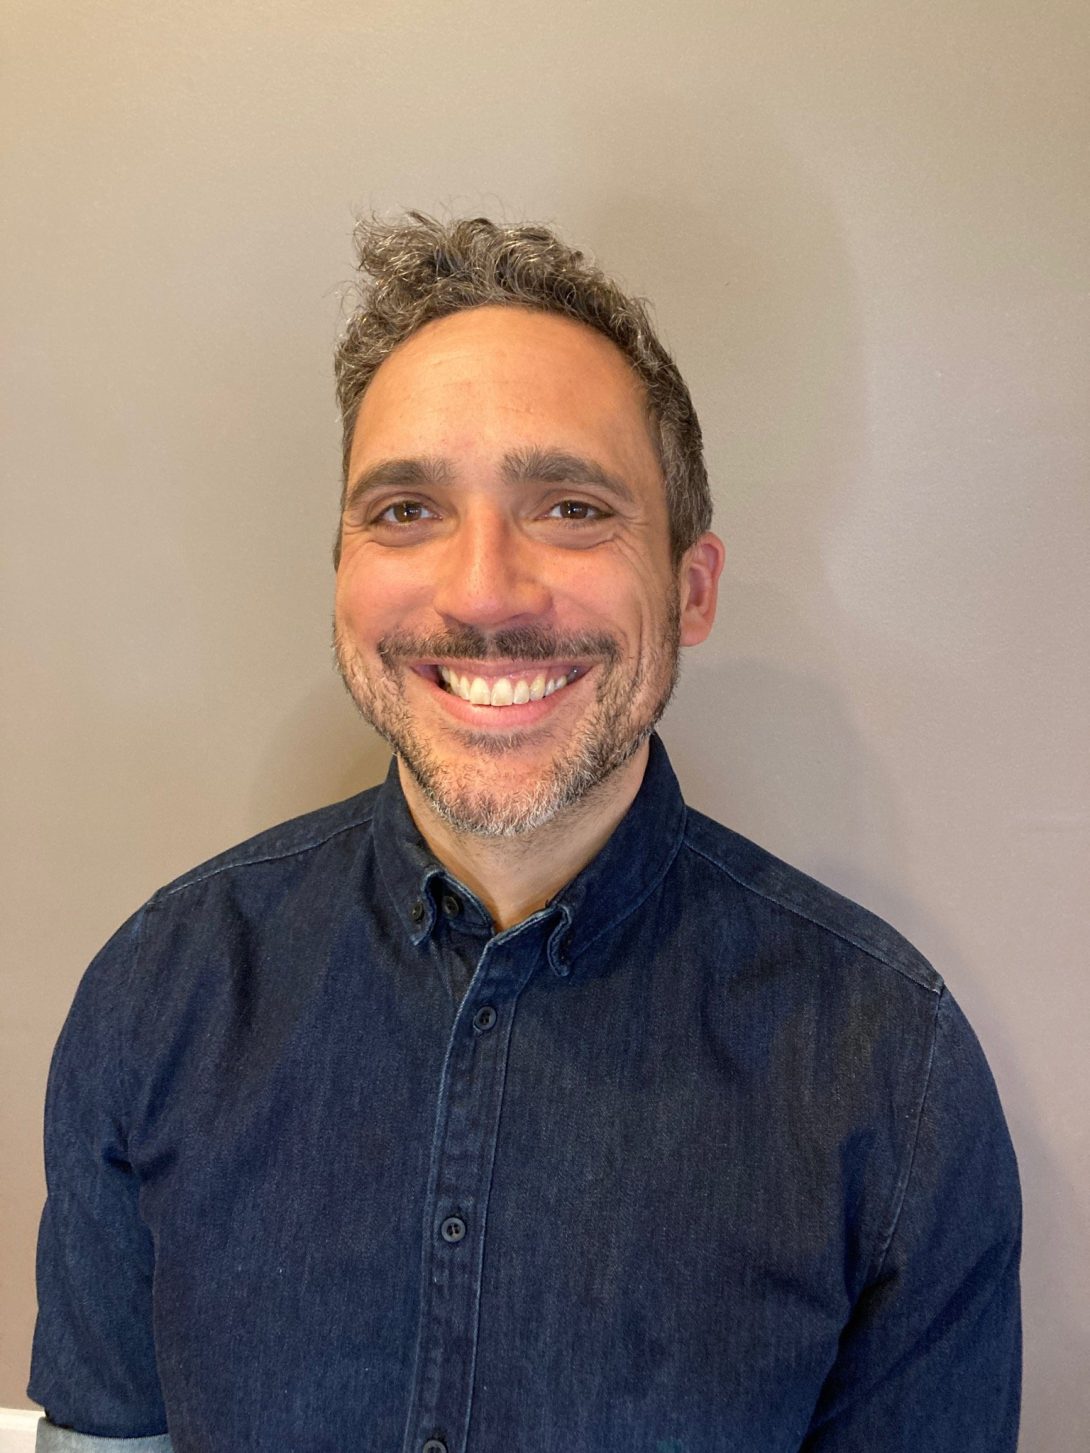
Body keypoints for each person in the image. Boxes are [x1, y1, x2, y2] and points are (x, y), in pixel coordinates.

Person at [30, 214, 1021, 1452]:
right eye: (405, 510)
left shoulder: (889, 1070)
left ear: (692, 586)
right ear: (339, 573)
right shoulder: (158, 994)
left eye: (568, 506)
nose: (484, 589)